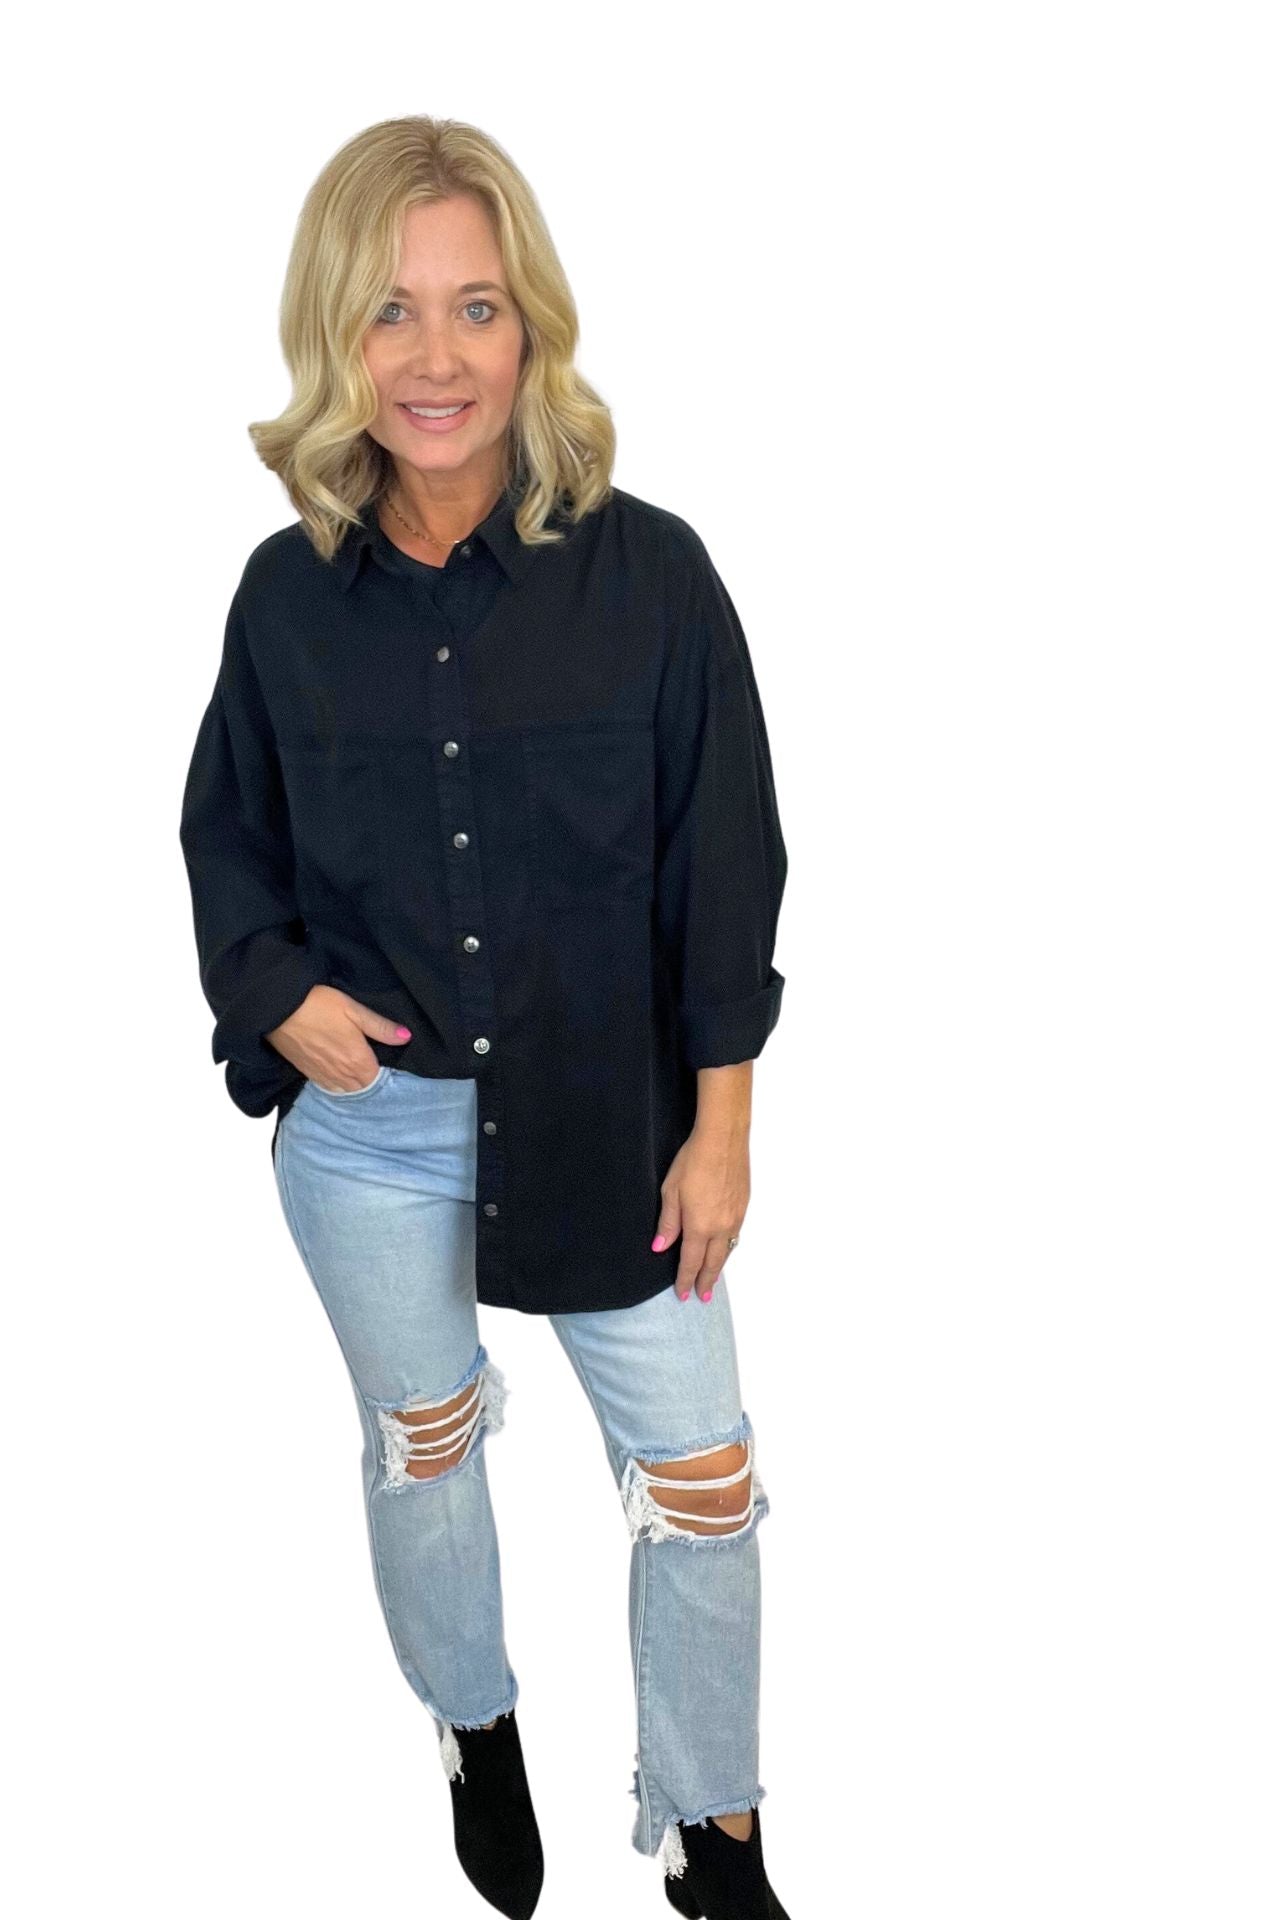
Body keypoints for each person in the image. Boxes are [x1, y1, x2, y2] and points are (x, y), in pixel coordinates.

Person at [179, 115, 790, 1920]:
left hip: (614, 1118)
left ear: (533, 329)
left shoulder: (655, 579)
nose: (433, 358)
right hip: (374, 1135)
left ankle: (715, 1834)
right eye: (388, 311)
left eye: (475, 307)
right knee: (426, 1444)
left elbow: (728, 862)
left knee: (704, 1484)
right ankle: (477, 1721)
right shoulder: (285, 600)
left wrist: (725, 1126)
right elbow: (227, 838)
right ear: (334, 337)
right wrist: (278, 996)